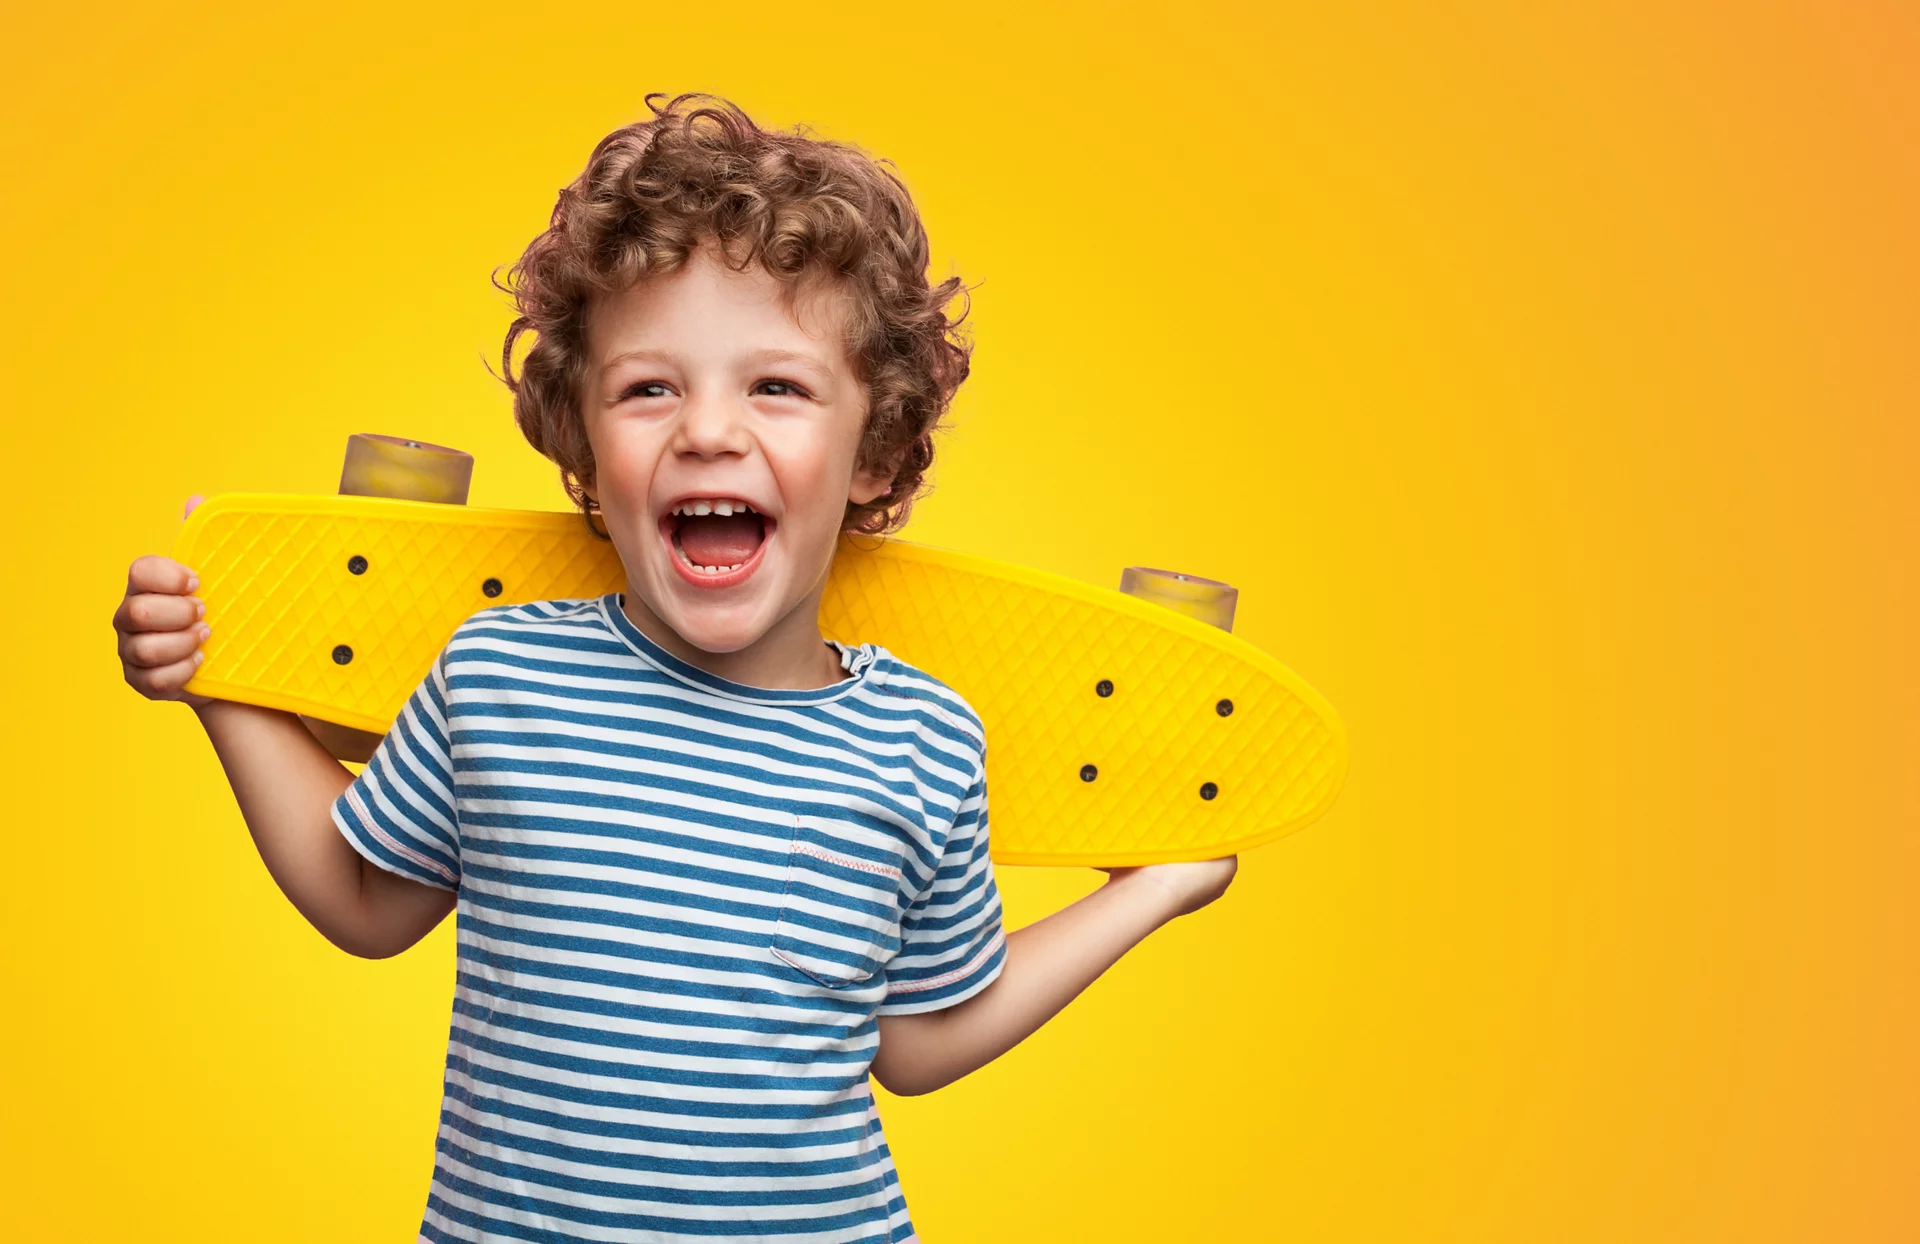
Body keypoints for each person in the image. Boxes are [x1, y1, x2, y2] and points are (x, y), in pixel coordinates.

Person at [112, 93, 1236, 1243]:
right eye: (650, 387)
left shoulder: (925, 738)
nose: (706, 430)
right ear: (585, 450)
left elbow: (918, 1038)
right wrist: (221, 676)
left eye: (777, 386)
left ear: (877, 449)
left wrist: (1148, 889)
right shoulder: (503, 675)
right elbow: (365, 901)